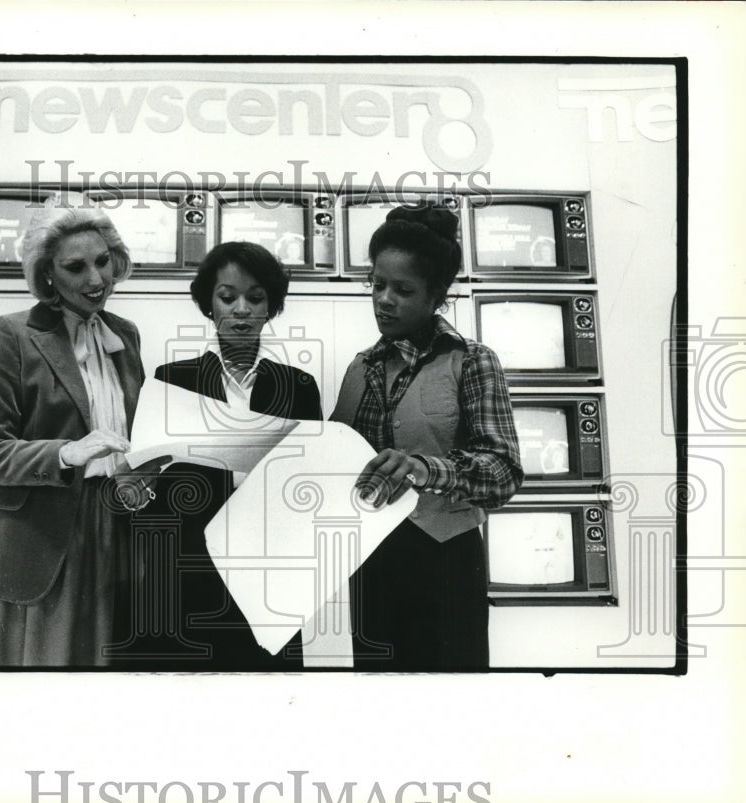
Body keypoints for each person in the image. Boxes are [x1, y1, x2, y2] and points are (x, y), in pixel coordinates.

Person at [0, 199, 155, 667]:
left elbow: (129, 435)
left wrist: (137, 473)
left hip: (111, 529)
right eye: (75, 267)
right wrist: (67, 453)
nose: (96, 280)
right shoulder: (12, 334)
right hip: (36, 538)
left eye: (103, 261)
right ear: (47, 273)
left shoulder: (124, 335)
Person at [115, 241, 323, 670]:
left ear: (272, 307)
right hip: (187, 573)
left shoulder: (299, 386)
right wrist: (137, 482)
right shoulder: (172, 381)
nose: (242, 309)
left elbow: (312, 486)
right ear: (209, 305)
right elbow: (148, 488)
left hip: (268, 579)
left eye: (256, 297)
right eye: (228, 297)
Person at [332, 205, 523, 671]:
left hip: (446, 563)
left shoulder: (473, 360)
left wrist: (423, 469)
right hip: (371, 564)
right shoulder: (360, 367)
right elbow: (336, 459)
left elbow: (503, 473)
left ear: (437, 295)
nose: (384, 300)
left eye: (403, 290)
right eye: (376, 285)